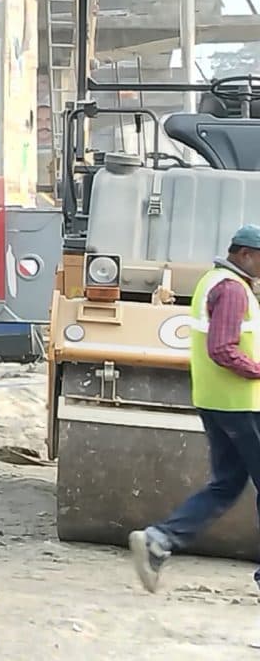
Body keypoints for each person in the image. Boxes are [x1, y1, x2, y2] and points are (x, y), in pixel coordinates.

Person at [131, 226, 260, 591]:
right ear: (246, 254)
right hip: (243, 403)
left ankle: (160, 539)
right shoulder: (233, 289)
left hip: (215, 401)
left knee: (226, 484)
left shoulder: (212, 281)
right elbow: (222, 348)